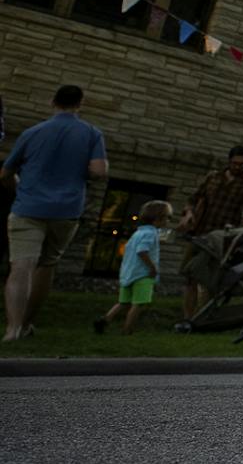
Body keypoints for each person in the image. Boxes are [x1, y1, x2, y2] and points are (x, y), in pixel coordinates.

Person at [1, 85, 108, 341]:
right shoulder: (91, 134)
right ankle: (27, 324)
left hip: (28, 207)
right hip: (66, 210)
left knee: (21, 267)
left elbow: (5, 173)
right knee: (46, 265)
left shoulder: (32, 132)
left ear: (53, 102)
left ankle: (12, 328)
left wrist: (18, 187)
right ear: (80, 104)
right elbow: (99, 171)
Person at [177, 144, 243, 321]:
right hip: (199, 233)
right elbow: (193, 199)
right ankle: (187, 318)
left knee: (209, 281)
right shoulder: (213, 177)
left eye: (242, 164)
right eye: (235, 163)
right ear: (229, 161)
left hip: (222, 239)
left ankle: (201, 319)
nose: (238, 167)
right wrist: (188, 214)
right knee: (190, 276)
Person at [93, 199, 169, 335]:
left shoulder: (137, 233)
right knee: (138, 304)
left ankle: (104, 320)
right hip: (143, 274)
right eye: (167, 217)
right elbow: (142, 251)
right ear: (158, 218)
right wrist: (152, 268)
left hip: (128, 273)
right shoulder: (151, 234)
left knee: (123, 302)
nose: (168, 221)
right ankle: (127, 330)